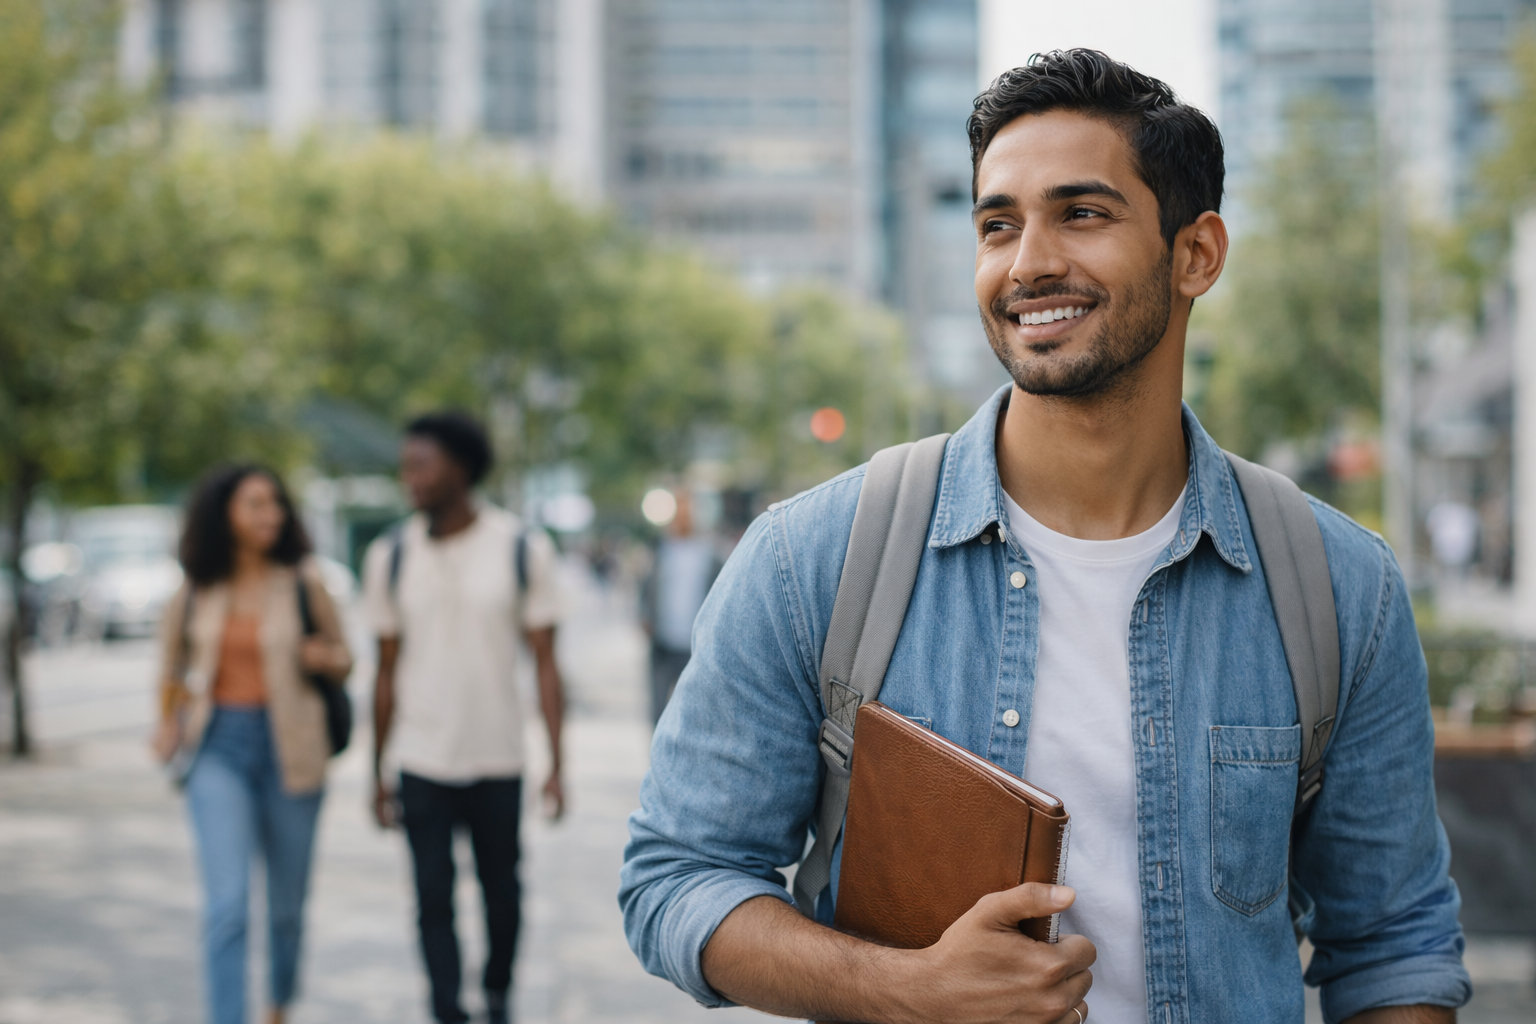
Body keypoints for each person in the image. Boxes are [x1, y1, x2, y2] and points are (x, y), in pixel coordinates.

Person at [620, 50, 1470, 1024]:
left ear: (1196, 254)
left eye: (1083, 212)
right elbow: (676, 876)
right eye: (998, 224)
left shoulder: (1339, 589)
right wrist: (907, 991)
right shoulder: (808, 561)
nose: (1028, 263)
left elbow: (1395, 942)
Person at [363, 411, 566, 1024]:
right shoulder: (390, 555)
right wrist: (375, 771)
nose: (410, 479)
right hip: (421, 759)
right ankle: (446, 1009)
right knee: (431, 900)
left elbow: (547, 666)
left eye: (420, 465)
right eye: (406, 467)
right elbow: (384, 672)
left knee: (502, 896)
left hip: (496, 757)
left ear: (461, 467)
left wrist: (559, 764)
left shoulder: (521, 549)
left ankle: (497, 994)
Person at [152, 465, 353, 1024]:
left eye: (276, 503)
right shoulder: (196, 587)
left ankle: (279, 1005)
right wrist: (167, 722)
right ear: (225, 515)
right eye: (255, 504)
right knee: (228, 907)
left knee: (287, 910)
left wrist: (324, 658)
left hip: (293, 748)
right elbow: (170, 667)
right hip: (219, 748)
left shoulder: (305, 582)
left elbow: (345, 656)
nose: (270, 515)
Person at [640, 490, 723, 724]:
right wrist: (645, 616)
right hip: (663, 644)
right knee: (658, 711)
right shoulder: (660, 550)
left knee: (695, 713)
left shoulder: (710, 553)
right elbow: (645, 587)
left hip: (695, 646)